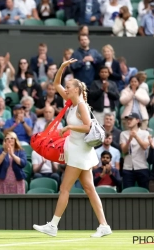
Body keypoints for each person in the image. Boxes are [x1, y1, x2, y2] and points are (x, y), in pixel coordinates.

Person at [33, 58, 112, 238]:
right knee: (90, 189)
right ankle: (104, 225)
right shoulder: (71, 102)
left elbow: (87, 126)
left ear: (76, 89)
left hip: (79, 152)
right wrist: (61, 67)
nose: (66, 89)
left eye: (69, 87)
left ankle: (53, 225)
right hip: (77, 150)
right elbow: (56, 83)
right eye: (66, 87)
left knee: (64, 189)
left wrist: (69, 128)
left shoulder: (81, 106)